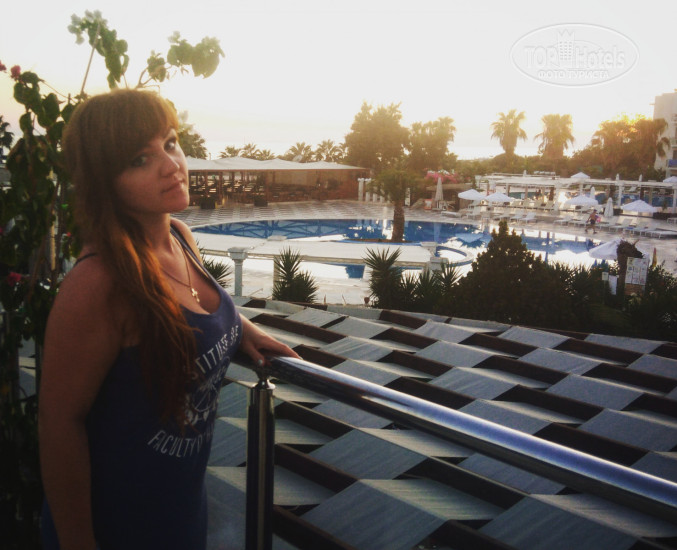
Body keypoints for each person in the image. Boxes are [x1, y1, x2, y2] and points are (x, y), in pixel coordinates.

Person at [38, 88, 298, 550]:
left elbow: (194, 312)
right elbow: (59, 426)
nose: (171, 164)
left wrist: (244, 330)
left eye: (170, 143)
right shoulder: (98, 283)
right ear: (104, 182)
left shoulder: (179, 237)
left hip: (181, 514)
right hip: (116, 526)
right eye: (140, 159)